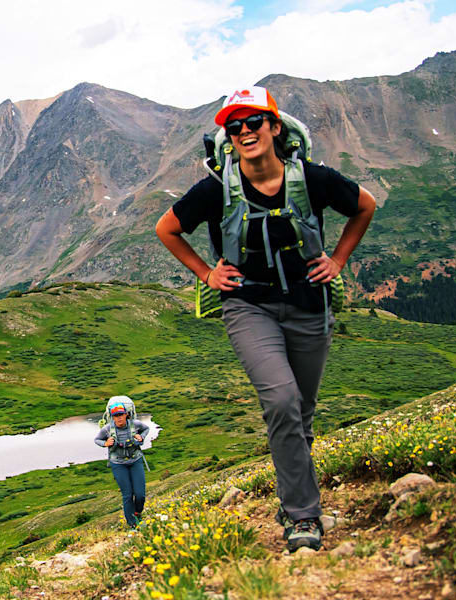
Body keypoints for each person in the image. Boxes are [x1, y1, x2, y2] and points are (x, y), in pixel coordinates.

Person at [154, 86, 376, 552]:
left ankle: (293, 492)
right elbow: (167, 229)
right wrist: (206, 273)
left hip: (309, 304)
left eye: (254, 122)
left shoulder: (312, 178)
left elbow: (364, 205)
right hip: (248, 306)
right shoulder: (216, 189)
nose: (244, 132)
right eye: (233, 127)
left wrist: (337, 259)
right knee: (281, 401)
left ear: (276, 127)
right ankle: (302, 517)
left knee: (302, 411)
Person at [94, 396, 150, 528]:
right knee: (127, 494)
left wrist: (141, 437)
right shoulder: (107, 429)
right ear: (112, 417)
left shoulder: (135, 425)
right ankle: (133, 525)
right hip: (118, 464)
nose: (119, 418)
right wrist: (105, 443)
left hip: (135, 460)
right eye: (116, 415)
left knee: (140, 494)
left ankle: (137, 513)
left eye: (121, 414)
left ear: (126, 414)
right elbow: (97, 439)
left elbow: (146, 429)